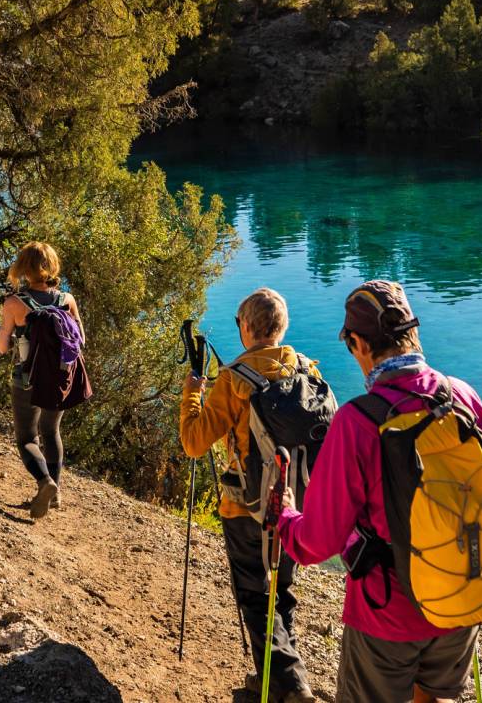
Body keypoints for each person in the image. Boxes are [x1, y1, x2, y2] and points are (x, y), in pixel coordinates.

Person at [277, 280, 482, 703]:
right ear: (414, 332)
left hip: (386, 615)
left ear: (358, 343)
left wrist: (285, 516)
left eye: (351, 347)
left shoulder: (357, 422)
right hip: (462, 601)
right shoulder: (461, 397)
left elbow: (317, 543)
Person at [179, 288, 317, 703]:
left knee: (255, 597)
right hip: (294, 504)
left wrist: (192, 394)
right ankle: (272, 680)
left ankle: (290, 684)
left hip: (245, 507)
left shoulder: (233, 380)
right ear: (281, 328)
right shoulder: (306, 369)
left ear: (245, 328)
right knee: (281, 593)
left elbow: (194, 443)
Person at [0, 241, 84, 518]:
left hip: (27, 378)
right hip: (59, 378)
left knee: (26, 437)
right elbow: (81, 339)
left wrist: (15, 337)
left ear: (23, 268)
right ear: (52, 267)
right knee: (51, 431)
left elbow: (2, 348)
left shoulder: (14, 303)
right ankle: (55, 494)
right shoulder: (67, 300)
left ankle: (45, 481)